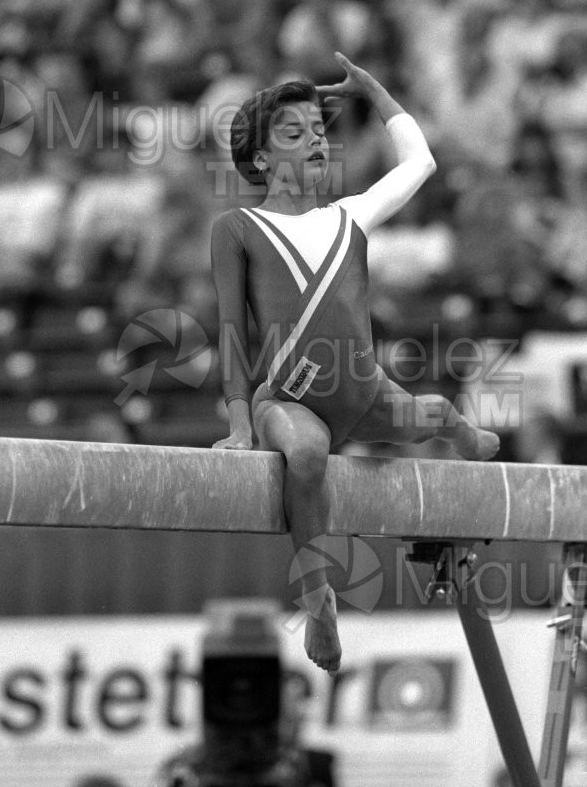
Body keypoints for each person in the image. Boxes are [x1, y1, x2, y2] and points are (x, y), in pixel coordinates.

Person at [210, 52, 500, 675]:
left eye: (320, 130)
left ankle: (463, 433)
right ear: (261, 159)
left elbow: (419, 162)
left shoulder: (351, 217)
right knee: (308, 456)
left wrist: (378, 93)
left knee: (434, 414)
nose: (315, 140)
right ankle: (320, 602)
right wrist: (239, 423)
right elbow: (232, 331)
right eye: (294, 133)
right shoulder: (238, 228)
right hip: (287, 399)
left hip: (365, 393)